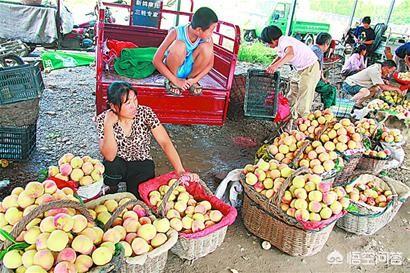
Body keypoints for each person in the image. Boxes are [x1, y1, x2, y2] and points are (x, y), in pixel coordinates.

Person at [96, 81, 194, 197]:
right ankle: (111, 186)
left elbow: (165, 142)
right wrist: (108, 125)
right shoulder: (104, 119)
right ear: (113, 106)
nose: (134, 106)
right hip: (118, 162)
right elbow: (110, 156)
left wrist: (180, 170)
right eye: (128, 103)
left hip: (141, 161)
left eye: (135, 100)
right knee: (111, 165)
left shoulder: (145, 113)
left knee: (138, 196)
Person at [153, 7, 218, 96]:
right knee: (179, 45)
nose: (212, 33)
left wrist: (194, 80)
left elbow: (210, 64)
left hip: (191, 72)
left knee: (207, 48)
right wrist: (175, 80)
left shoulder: (207, 39)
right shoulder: (176, 32)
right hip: (174, 70)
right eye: (211, 30)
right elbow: (156, 60)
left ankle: (190, 80)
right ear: (199, 30)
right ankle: (172, 81)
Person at [261, 25, 320, 117]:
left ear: (273, 40)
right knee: (293, 93)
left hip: (310, 67)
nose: (268, 45)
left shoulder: (284, 41)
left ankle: (301, 121)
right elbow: (281, 56)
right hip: (299, 69)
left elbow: (290, 55)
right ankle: (287, 117)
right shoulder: (282, 43)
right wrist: (271, 65)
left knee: (304, 97)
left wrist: (275, 67)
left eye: (268, 43)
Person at [311, 32, 337, 109]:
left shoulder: (313, 48)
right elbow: (317, 69)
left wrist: (323, 78)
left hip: (311, 77)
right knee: (331, 89)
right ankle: (327, 110)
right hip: (311, 79)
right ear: (326, 44)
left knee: (327, 86)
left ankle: (325, 108)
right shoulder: (318, 52)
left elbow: (319, 68)